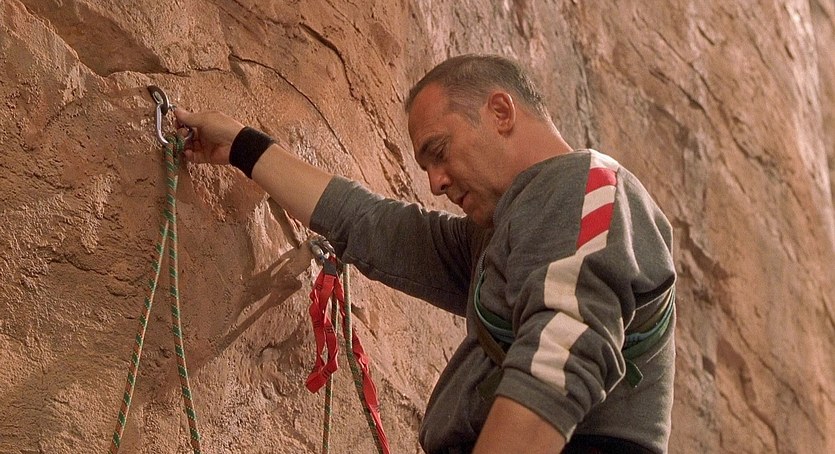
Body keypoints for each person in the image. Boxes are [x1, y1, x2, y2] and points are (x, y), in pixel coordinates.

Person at [174, 54, 677, 454]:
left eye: (439, 151)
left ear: (501, 113)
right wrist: (241, 147)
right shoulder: (509, 227)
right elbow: (372, 225)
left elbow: (560, 361)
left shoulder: (586, 188)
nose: (435, 183)